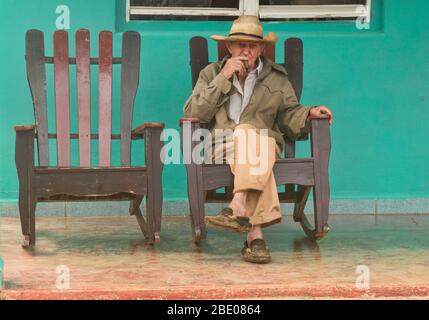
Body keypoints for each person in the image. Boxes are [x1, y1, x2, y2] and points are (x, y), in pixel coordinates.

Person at [183, 15, 333, 264]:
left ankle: (239, 206)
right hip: (222, 145)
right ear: (229, 47)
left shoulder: (277, 78)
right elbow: (192, 113)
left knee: (252, 137)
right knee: (245, 135)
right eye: (240, 44)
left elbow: (289, 114)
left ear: (262, 49)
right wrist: (224, 78)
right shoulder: (211, 73)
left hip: (264, 143)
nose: (246, 50)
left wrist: (309, 113)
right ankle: (255, 236)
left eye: (252, 45)